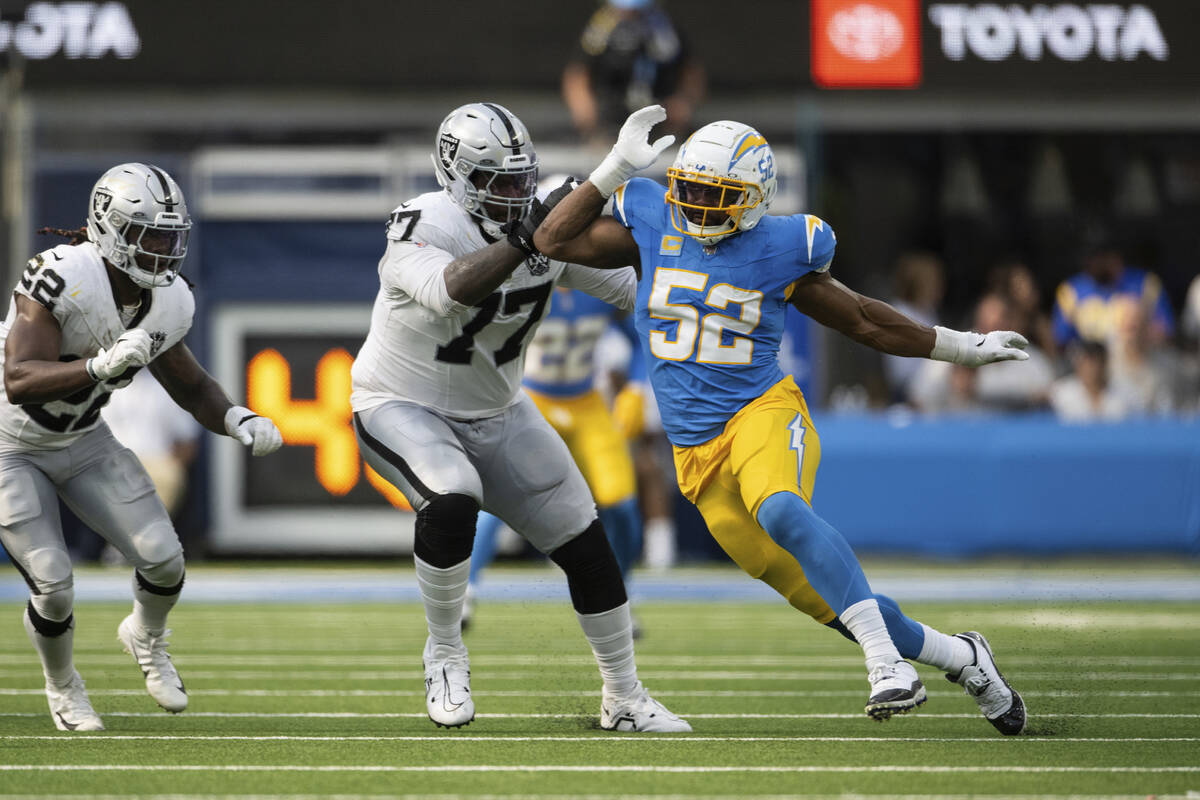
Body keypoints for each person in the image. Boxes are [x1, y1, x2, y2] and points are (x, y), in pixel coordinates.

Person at [532, 105, 1029, 733]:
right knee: (828, 601)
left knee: (781, 507)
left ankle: (886, 665)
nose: (697, 206)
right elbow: (551, 240)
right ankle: (962, 657)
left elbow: (864, 320)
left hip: (760, 411)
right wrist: (615, 168)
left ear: (755, 200)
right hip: (696, 455)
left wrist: (960, 346)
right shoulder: (654, 219)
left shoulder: (779, 248)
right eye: (689, 189)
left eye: (716, 196)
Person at [348, 102, 689, 732]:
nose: (514, 194)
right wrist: (535, 230)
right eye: (497, 182)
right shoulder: (424, 222)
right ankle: (445, 653)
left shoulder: (541, 230)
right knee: (453, 499)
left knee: (587, 541)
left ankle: (624, 697)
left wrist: (714, 277)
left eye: (521, 179)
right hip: (400, 404)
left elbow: (635, 288)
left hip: (500, 411)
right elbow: (452, 289)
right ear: (456, 177)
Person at [0, 163, 283, 732]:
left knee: (164, 556)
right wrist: (96, 366)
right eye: (149, 235)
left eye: (170, 237)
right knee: (54, 585)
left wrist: (236, 417)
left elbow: (191, 384)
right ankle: (63, 686)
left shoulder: (169, 300)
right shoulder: (61, 276)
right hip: (10, 445)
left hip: (81, 439)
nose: (162, 250)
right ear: (108, 230)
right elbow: (19, 378)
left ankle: (145, 637)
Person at [467, 284, 643, 629]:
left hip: (586, 403)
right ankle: (466, 591)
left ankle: (620, 595)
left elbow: (642, 337)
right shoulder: (524, 284)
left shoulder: (600, 285)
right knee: (496, 501)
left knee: (621, 503)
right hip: (534, 401)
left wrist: (636, 387)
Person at [563, 0, 705, 145]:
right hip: (610, 119)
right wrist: (585, 113)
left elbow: (691, 70)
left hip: (661, 116)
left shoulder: (665, 29)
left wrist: (684, 103)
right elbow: (578, 73)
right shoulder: (600, 29)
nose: (630, 15)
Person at [1052, 225, 1174, 349]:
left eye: (1096, 258)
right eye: (1088, 258)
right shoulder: (1070, 290)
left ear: (1113, 256)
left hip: (1139, 360)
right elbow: (1060, 340)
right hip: (1092, 361)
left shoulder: (1145, 283)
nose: (1090, 263)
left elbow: (1166, 330)